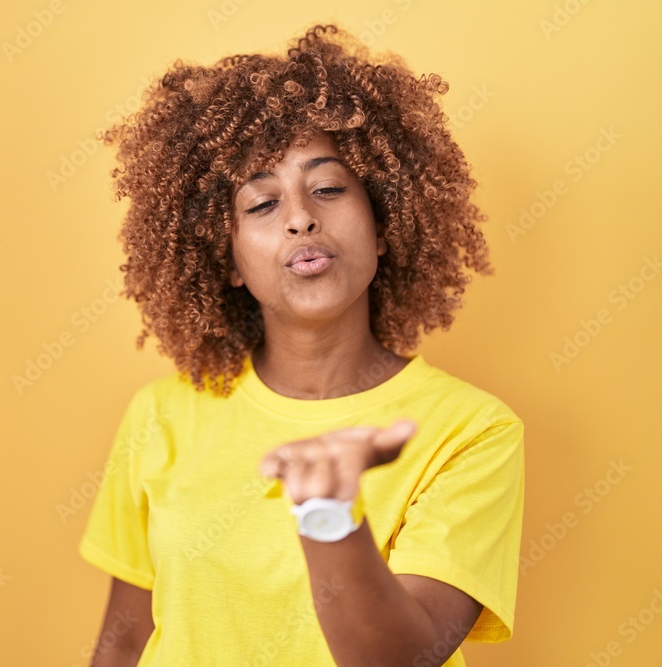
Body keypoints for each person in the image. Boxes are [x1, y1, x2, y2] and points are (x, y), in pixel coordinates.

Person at [78, 23, 524, 667]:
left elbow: (402, 658)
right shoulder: (160, 415)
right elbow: (122, 642)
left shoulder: (473, 431)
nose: (299, 217)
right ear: (228, 259)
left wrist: (329, 515)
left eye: (329, 188)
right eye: (261, 204)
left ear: (384, 227)